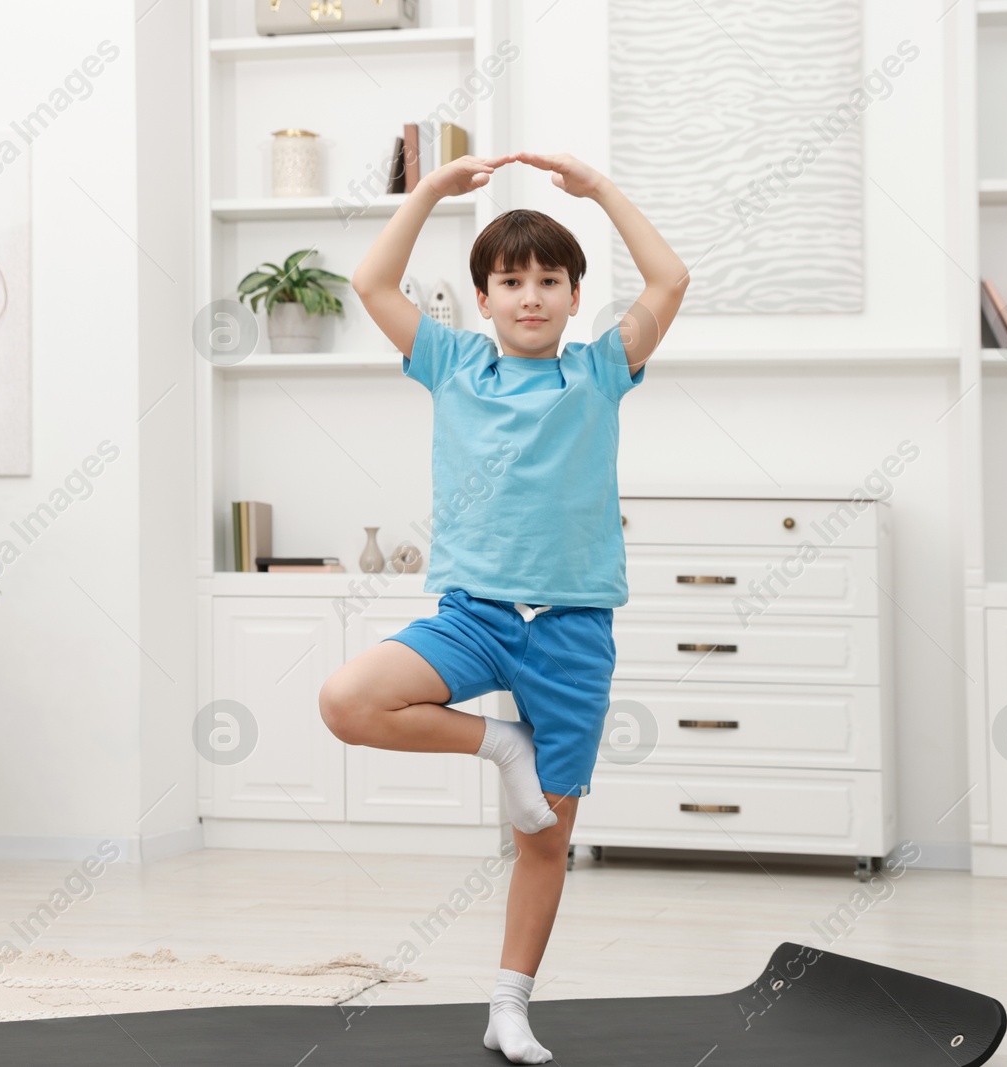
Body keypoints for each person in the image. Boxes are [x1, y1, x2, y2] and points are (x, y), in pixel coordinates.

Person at [317, 151, 688, 1064]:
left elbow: (671, 277)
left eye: (550, 281)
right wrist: (433, 192)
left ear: (572, 296)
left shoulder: (602, 371)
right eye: (511, 281)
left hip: (570, 630)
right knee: (348, 700)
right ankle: (499, 743)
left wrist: (600, 190)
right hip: (474, 615)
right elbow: (371, 279)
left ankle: (508, 1005)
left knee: (544, 838)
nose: (531, 295)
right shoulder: (450, 362)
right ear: (481, 298)